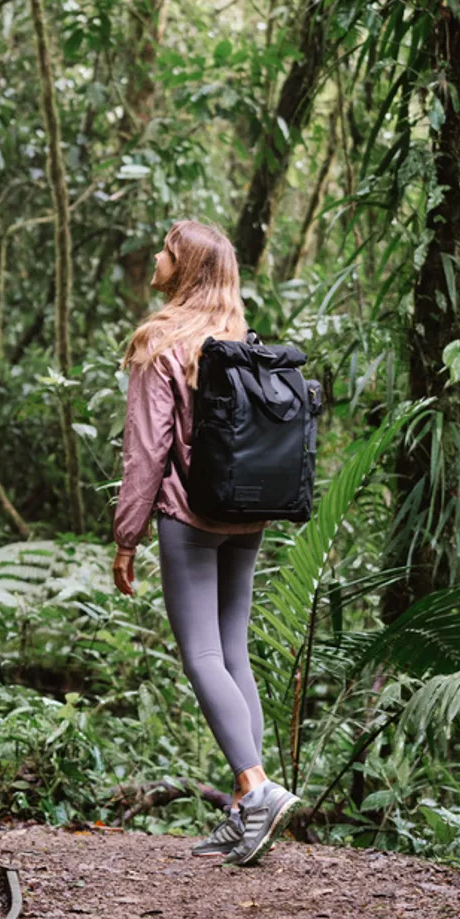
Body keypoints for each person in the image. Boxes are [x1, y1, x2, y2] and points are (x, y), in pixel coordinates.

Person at [112, 219, 302, 866]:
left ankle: (254, 789)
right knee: (232, 653)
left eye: (168, 249)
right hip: (246, 514)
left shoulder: (160, 341)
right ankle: (245, 808)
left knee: (200, 657)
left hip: (188, 517)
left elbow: (146, 452)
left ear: (186, 268)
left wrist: (126, 536)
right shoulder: (238, 340)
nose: (157, 256)